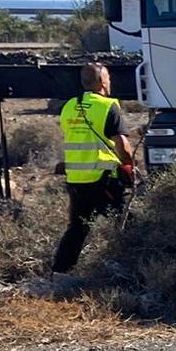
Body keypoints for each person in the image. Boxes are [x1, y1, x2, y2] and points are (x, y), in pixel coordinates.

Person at [51, 63, 133, 275]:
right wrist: (129, 166)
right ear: (102, 82)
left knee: (77, 228)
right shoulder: (107, 106)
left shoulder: (69, 106)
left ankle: (60, 272)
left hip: (76, 180)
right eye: (108, 78)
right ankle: (135, 268)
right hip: (102, 178)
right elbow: (122, 145)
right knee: (125, 223)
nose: (109, 82)